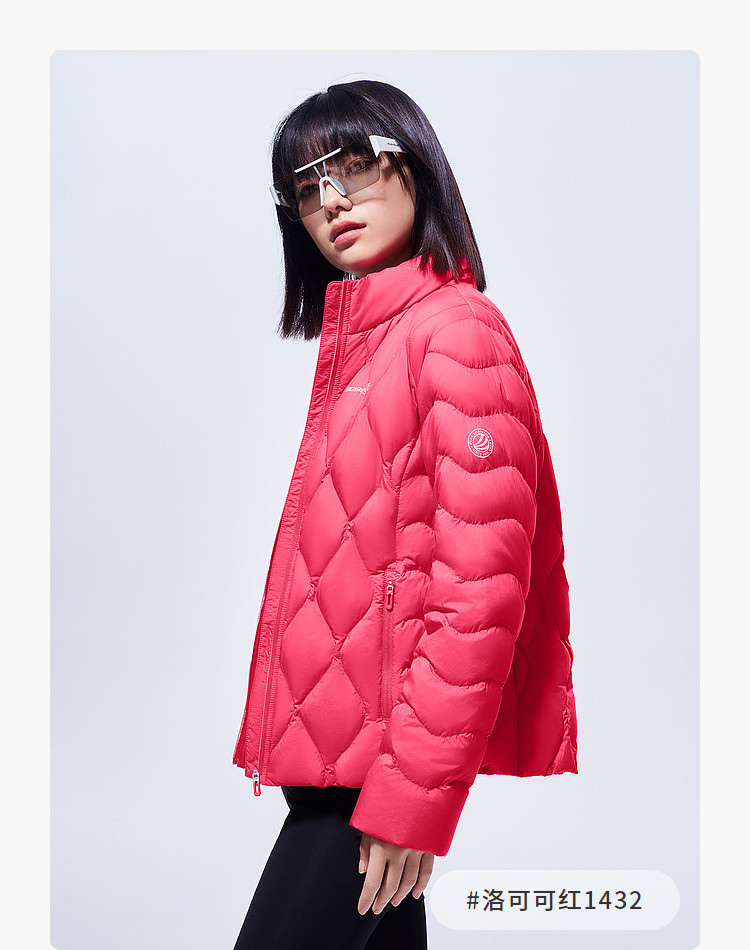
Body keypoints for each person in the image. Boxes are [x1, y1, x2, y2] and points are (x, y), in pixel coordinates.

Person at [231, 79, 578, 950]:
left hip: (372, 779)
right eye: (306, 189)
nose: (331, 201)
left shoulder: (456, 333)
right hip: (343, 769)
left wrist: (410, 797)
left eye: (352, 167)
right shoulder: (370, 348)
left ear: (412, 168)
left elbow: (481, 590)